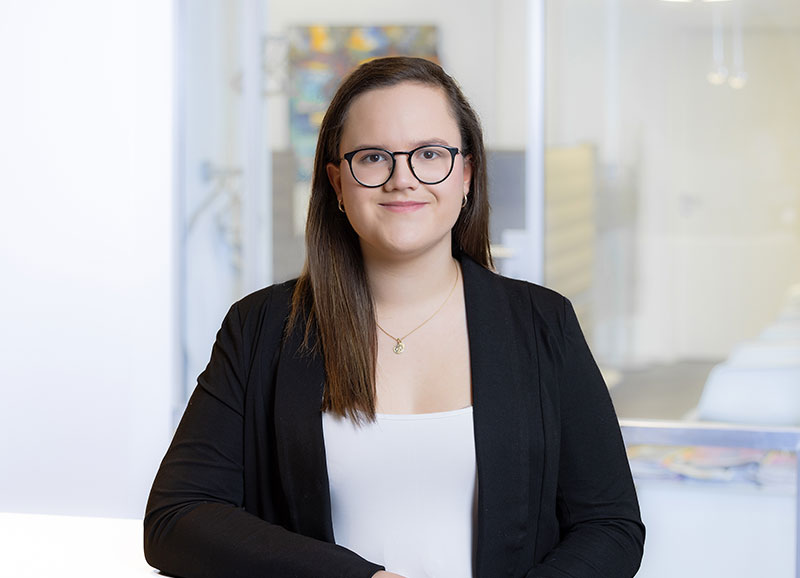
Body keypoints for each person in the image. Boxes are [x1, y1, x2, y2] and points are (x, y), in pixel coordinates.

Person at [144, 56, 645, 578]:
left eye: (430, 154)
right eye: (373, 157)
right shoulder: (263, 327)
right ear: (337, 183)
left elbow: (610, 526)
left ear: (466, 174)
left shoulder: (542, 323)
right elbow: (177, 518)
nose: (402, 179)